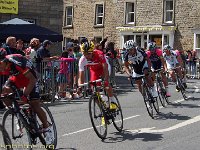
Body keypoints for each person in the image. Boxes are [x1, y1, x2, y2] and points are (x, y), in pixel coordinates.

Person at [0, 49, 54, 145]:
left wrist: (25, 96)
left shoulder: (17, 62)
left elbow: (32, 80)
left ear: (3, 62)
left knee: (34, 104)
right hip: (16, 78)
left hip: (30, 79)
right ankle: (17, 112)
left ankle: (47, 128)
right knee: (4, 92)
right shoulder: (3, 66)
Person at [78, 40, 118, 109]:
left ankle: (112, 101)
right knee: (94, 92)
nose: (86, 56)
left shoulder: (99, 54)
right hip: (94, 71)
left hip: (104, 68)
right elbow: (81, 74)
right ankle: (103, 110)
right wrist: (80, 86)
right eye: (84, 53)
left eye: (88, 53)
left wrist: (106, 78)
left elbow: (105, 67)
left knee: (106, 84)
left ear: (92, 52)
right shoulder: (82, 59)